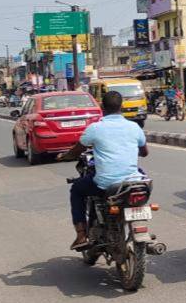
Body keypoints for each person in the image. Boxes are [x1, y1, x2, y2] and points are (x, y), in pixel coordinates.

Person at [57, 91, 148, 250]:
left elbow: (76, 151)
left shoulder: (95, 128)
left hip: (106, 184)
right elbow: (145, 152)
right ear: (121, 106)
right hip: (133, 182)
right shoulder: (134, 127)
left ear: (102, 107)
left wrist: (64, 156)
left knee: (77, 189)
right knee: (141, 174)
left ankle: (81, 235)